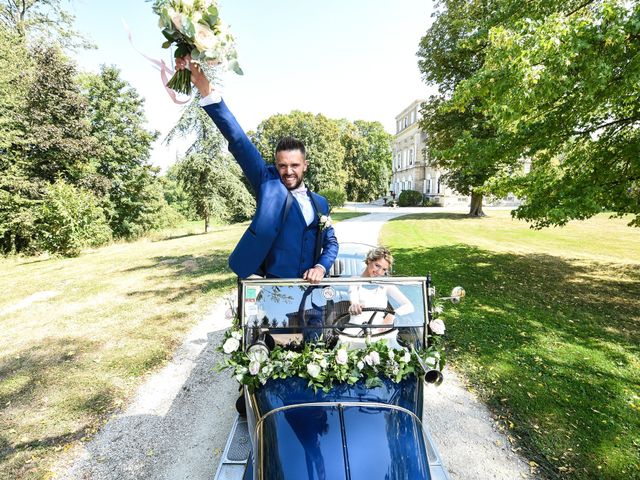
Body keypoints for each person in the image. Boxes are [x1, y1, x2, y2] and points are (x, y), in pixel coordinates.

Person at [174, 57, 339, 283]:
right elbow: (239, 140)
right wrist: (205, 87)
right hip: (273, 288)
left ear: (305, 166)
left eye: (294, 165)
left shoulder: (321, 203)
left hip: (312, 293)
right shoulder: (267, 183)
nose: (288, 171)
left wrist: (321, 267)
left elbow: (331, 243)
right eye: (282, 165)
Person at [346, 247, 413, 334]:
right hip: (355, 331)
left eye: (384, 269)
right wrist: (355, 305)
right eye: (377, 266)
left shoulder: (385, 284)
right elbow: (353, 296)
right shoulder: (355, 281)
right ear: (369, 260)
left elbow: (409, 306)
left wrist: (392, 314)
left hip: (380, 331)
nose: (379, 272)